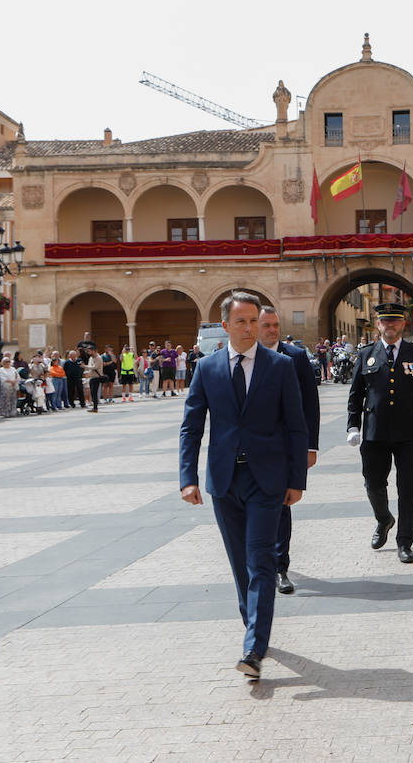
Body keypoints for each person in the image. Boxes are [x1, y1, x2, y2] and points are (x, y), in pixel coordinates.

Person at [179, 291, 308, 681]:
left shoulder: (280, 366)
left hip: (266, 481)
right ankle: (253, 627)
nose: (250, 328)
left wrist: (296, 479)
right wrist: (188, 478)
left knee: (261, 561)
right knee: (239, 566)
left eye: (255, 321)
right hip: (224, 481)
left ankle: (254, 647)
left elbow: (296, 425)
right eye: (242, 321)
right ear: (225, 325)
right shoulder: (207, 368)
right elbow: (192, 426)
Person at [346, 303, 413, 563]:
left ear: (403, 325)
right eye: (385, 321)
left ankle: (405, 541)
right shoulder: (366, 355)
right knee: (373, 483)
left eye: (395, 321)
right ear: (378, 325)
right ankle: (384, 518)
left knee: (408, 488)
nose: (390, 325)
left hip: (409, 432)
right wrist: (353, 425)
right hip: (375, 433)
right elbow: (356, 394)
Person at [257, 305, 320, 596]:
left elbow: (310, 403)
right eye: (266, 325)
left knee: (282, 507)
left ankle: (280, 567)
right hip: (251, 449)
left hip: (283, 448)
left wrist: (310, 447)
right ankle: (260, 563)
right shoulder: (243, 359)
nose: (272, 330)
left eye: (275, 325)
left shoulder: (295, 357)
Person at [84, 348, 105, 412]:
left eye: (89, 351)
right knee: (92, 393)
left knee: (94, 392)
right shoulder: (91, 358)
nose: (88, 352)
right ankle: (94, 407)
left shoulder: (98, 358)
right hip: (91, 377)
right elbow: (90, 366)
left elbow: (95, 367)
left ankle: (95, 407)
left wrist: (85, 366)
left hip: (96, 377)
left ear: (94, 351)